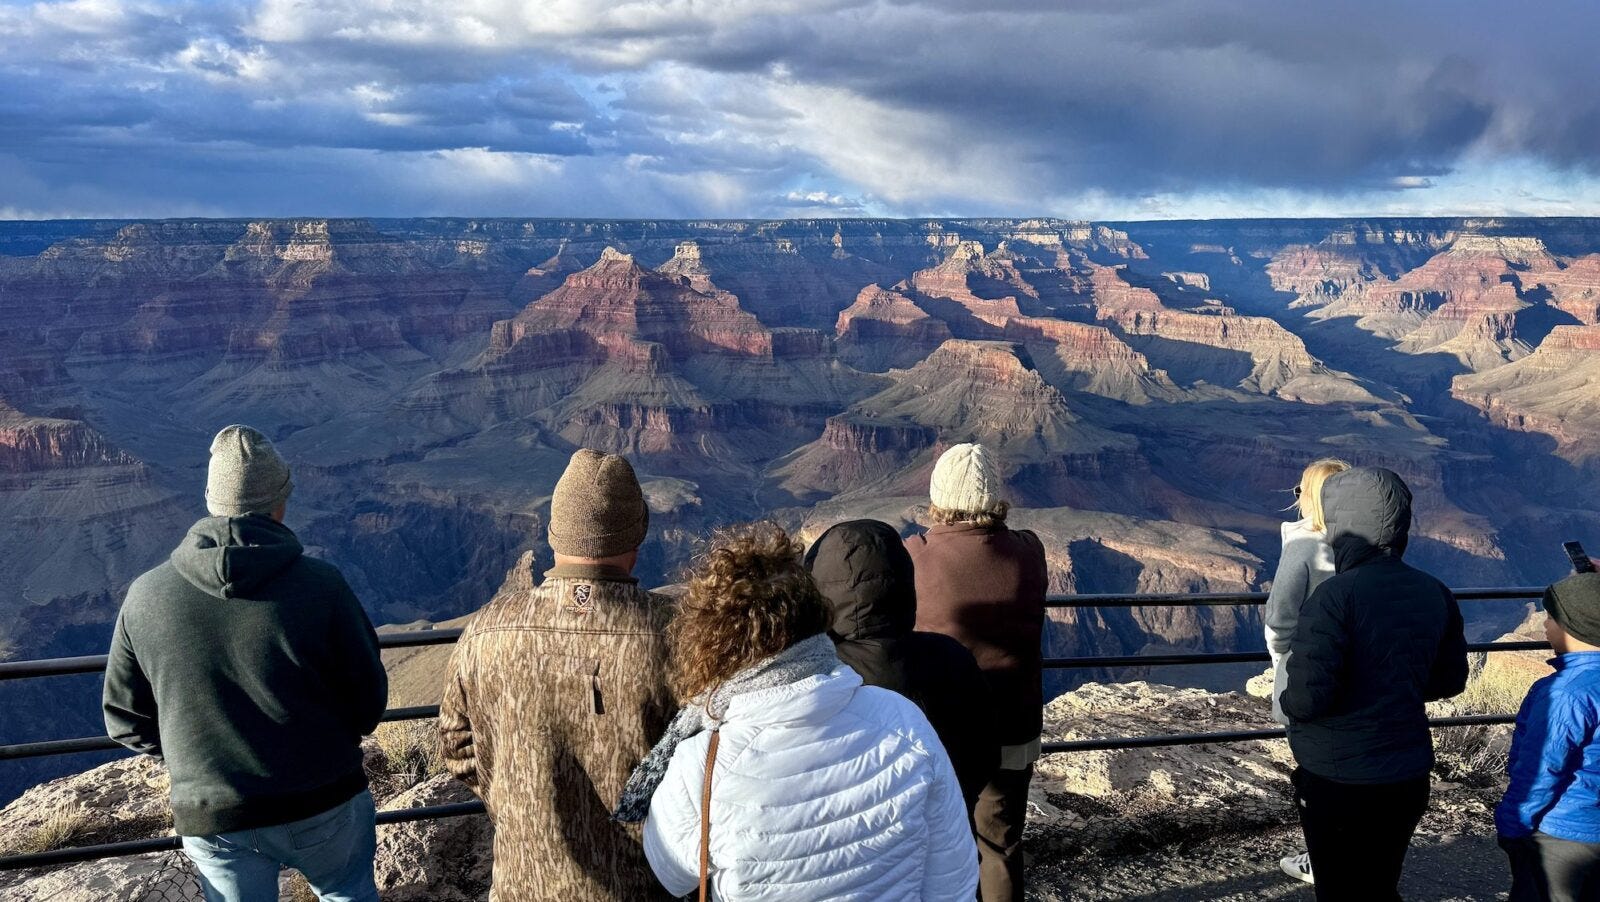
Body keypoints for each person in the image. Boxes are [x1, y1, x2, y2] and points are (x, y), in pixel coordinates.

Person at [617, 522, 977, 901]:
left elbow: (673, 875)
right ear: (815, 614)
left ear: (709, 644)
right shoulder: (904, 723)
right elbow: (952, 882)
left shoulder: (702, 762)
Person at [103, 425, 387, 902]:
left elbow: (124, 718)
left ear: (211, 499)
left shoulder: (144, 596)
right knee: (346, 893)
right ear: (281, 502)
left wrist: (198, 760)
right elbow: (367, 701)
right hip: (324, 796)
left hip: (215, 813)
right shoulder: (322, 585)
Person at [438, 448, 675, 901]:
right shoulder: (681, 635)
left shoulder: (487, 629)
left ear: (552, 534)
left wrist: (519, 800)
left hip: (523, 884)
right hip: (648, 886)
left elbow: (456, 744)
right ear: (638, 535)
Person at [1280, 466, 1469, 902]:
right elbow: (1450, 680)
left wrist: (1289, 702)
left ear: (1342, 521)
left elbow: (1309, 698)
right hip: (1406, 773)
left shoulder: (1335, 596)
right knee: (1381, 884)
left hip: (1339, 777)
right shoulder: (1434, 590)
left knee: (1342, 890)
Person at [905, 442, 1047, 902]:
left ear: (939, 497)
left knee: (938, 847)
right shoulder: (1030, 551)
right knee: (1000, 846)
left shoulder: (916, 555)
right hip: (1013, 726)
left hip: (943, 732)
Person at [804, 518, 1000, 818]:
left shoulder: (816, 681)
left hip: (862, 851)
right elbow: (985, 755)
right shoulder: (951, 657)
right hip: (949, 835)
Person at [1264, 457, 1350, 885]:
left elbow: (1280, 618)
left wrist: (1282, 663)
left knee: (1315, 772)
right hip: (1358, 673)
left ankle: (1322, 860)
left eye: (1300, 491)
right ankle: (1349, 854)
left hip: (1309, 671)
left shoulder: (1305, 546)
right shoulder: (1367, 546)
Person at [1497, 571, 1600, 902]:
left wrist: (1512, 825)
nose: (1543, 624)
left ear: (1574, 627)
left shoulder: (1565, 693)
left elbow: (1541, 767)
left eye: (1551, 617)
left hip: (1561, 833)